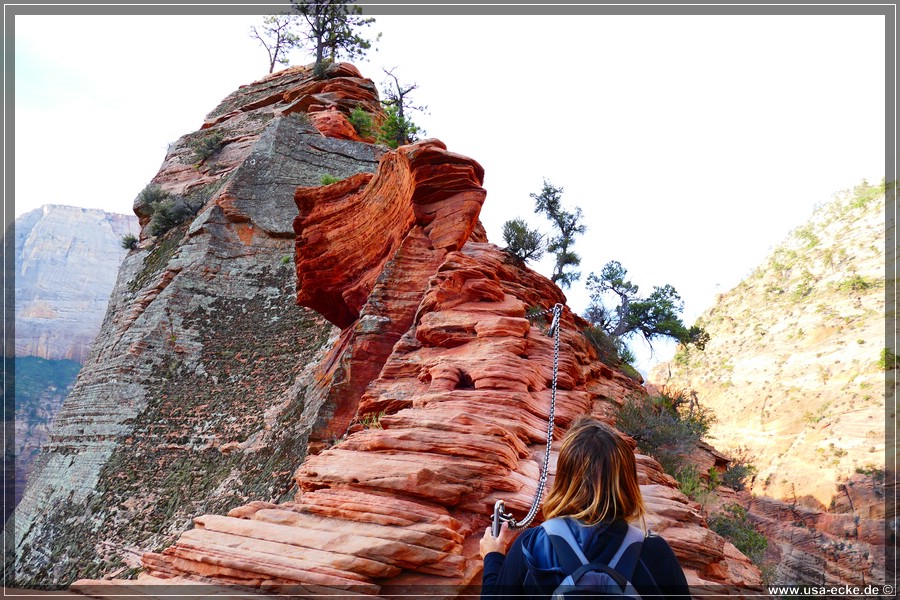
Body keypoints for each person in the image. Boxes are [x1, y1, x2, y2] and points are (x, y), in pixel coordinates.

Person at [480, 416, 691, 599]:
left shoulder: (532, 547)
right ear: (628, 483)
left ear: (564, 478)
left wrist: (493, 558)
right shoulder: (656, 553)